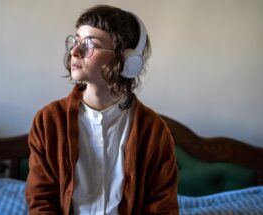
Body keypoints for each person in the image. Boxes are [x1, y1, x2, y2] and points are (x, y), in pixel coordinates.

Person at [25, 4, 178, 215]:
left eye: (90, 44)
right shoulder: (47, 122)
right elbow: (41, 202)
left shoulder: (154, 131)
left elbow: (163, 208)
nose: (75, 51)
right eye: (76, 41)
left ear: (126, 61)